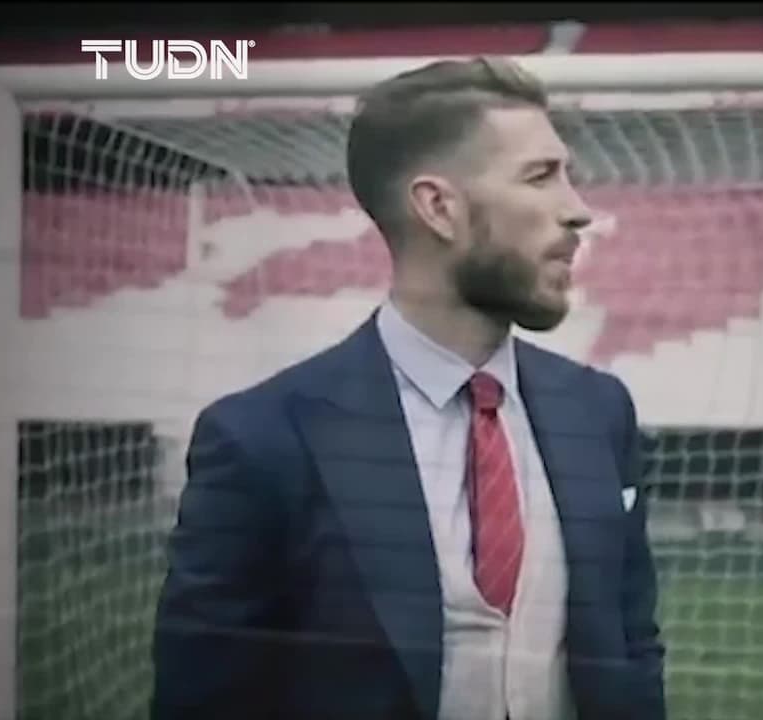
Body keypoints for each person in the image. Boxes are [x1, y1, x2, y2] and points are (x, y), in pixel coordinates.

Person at [150, 56, 666, 720]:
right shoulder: (264, 439)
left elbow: (631, 643)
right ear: (439, 207)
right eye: (540, 176)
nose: (578, 210)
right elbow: (204, 698)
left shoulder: (598, 411)